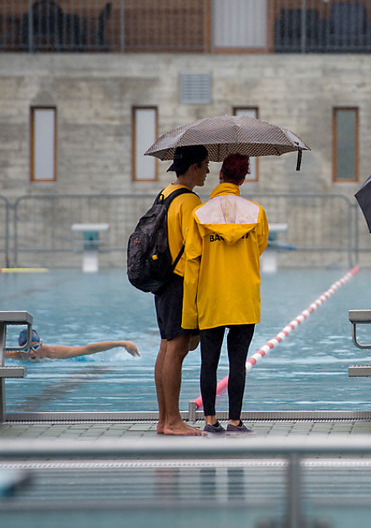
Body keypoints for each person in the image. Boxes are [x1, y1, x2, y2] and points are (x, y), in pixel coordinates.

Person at [182, 153, 268, 435]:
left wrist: (190, 309)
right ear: (243, 178)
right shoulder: (256, 212)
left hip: (211, 296)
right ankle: (234, 421)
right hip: (243, 296)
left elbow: (192, 262)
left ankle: (210, 421)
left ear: (220, 176)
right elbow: (259, 247)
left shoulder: (200, 214)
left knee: (209, 360)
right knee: (237, 361)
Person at [153, 144, 209, 436]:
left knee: (165, 348)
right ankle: (174, 421)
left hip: (162, 282)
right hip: (180, 282)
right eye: (205, 165)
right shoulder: (189, 202)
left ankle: (165, 419)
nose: (209, 171)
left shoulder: (165, 193)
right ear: (194, 167)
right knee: (176, 350)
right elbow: (194, 250)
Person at [5, 328, 140, 360]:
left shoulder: (54, 353)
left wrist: (122, 343)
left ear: (41, 344)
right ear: (19, 349)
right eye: (26, 349)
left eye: (35, 347)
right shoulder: (13, 355)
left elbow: (88, 349)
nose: (31, 353)